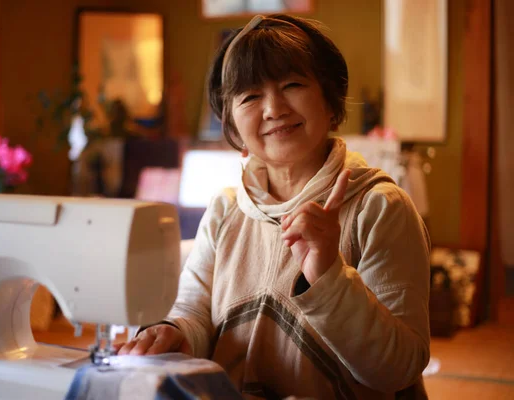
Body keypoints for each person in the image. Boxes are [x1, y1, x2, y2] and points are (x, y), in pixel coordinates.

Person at [117, 14, 431, 399]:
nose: (273, 108)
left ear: (330, 101)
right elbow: (194, 309)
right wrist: (174, 331)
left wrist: (329, 275)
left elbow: (398, 369)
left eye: (292, 85)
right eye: (250, 96)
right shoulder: (226, 210)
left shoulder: (380, 207)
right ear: (232, 127)